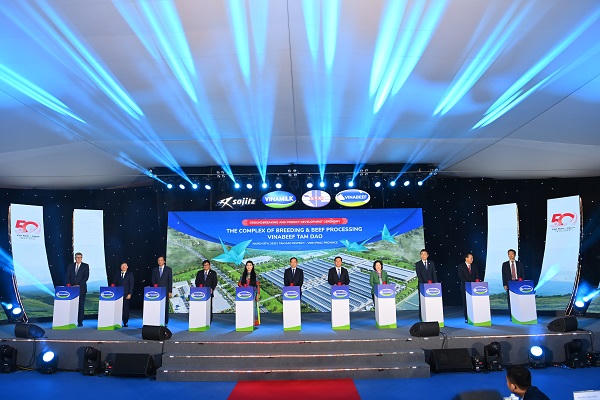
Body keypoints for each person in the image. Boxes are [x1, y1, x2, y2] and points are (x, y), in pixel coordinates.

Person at [66, 252, 89, 327]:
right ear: (75, 258)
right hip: (72, 289)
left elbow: (86, 277)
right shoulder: (70, 266)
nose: (78, 259)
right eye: (77, 257)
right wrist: (70, 285)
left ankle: (80, 321)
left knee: (81, 305)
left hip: (81, 289)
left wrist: (78, 285)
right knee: (72, 305)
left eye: (80, 257)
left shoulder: (85, 266)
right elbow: (68, 276)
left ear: (82, 258)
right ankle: (71, 320)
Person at [415, 249, 437, 320]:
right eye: (422, 254)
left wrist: (435, 284)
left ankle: (431, 315)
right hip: (422, 285)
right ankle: (421, 316)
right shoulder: (418, 264)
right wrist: (424, 285)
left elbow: (434, 274)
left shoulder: (431, 263)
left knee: (431, 300)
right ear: (420, 255)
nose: (423, 255)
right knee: (422, 301)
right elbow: (419, 276)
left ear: (427, 255)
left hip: (431, 286)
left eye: (425, 254)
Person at [457, 252, 480, 322]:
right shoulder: (461, 266)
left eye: (472, 258)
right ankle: (467, 318)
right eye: (471, 258)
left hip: (474, 287)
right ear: (466, 258)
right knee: (466, 302)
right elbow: (461, 276)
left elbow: (477, 275)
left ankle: (475, 316)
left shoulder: (474, 266)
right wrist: (469, 283)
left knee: (474, 302)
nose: (472, 259)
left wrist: (477, 280)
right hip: (465, 287)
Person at [151, 256, 173, 325]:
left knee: (165, 306)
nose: (160, 261)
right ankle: (157, 320)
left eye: (161, 260)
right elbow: (153, 280)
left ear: (164, 261)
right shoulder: (154, 270)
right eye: (158, 260)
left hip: (165, 291)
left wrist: (170, 291)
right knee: (157, 306)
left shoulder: (168, 269)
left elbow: (170, 281)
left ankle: (165, 321)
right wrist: (155, 287)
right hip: (157, 291)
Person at [239, 260, 260, 326]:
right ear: (246, 266)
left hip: (253, 293)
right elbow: (239, 284)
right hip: (245, 294)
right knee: (245, 307)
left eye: (250, 265)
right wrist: (243, 286)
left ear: (252, 266)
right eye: (247, 265)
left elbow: (258, 286)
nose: (249, 266)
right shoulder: (243, 275)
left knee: (253, 307)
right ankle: (246, 321)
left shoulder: (255, 275)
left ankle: (254, 322)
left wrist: (258, 294)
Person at [114, 262, 134, 327]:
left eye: (125, 266)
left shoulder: (130, 274)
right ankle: (117, 321)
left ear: (127, 267)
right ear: (120, 267)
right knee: (118, 308)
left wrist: (130, 293)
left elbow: (131, 285)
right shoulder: (117, 274)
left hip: (126, 294)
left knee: (125, 309)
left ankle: (125, 322)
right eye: (122, 266)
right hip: (118, 294)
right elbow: (114, 283)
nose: (123, 267)